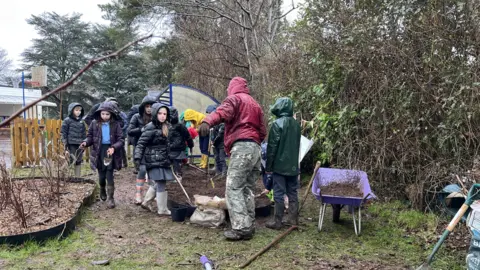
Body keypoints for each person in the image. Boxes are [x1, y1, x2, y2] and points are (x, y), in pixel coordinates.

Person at [199, 77, 266, 241]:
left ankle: (241, 228)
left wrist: (207, 121)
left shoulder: (234, 99)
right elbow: (263, 130)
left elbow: (222, 112)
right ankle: (248, 223)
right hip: (255, 148)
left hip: (242, 147)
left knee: (233, 187)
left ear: (231, 88)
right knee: (248, 188)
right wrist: (255, 141)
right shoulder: (255, 104)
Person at [265, 97, 301, 230]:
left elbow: (272, 147)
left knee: (279, 193)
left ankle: (277, 222)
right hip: (293, 165)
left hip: (279, 166)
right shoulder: (296, 125)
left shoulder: (277, 124)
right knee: (293, 193)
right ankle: (293, 220)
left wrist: (269, 167)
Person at [80, 102, 125, 209]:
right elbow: (90, 136)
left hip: (110, 150)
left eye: (107, 114)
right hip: (98, 152)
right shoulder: (94, 123)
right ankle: (102, 189)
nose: (105, 116)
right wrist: (85, 142)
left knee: (109, 174)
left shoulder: (115, 125)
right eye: (103, 114)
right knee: (101, 175)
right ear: (99, 113)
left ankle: (111, 198)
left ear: (111, 115)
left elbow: (121, 139)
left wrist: (114, 147)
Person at [134, 103, 174, 216]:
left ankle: (146, 202)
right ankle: (162, 209)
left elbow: (167, 143)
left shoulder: (166, 126)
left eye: (165, 114)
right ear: (155, 114)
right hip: (153, 159)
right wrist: (137, 158)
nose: (162, 116)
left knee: (160, 181)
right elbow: (141, 144)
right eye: (160, 113)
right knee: (161, 181)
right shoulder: (150, 127)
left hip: (163, 158)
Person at [127, 95, 158, 204]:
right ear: (143, 107)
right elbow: (129, 131)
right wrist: (142, 129)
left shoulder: (157, 118)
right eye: (147, 106)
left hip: (153, 148)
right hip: (140, 147)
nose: (149, 108)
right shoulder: (136, 117)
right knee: (142, 170)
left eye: (151, 106)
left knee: (153, 172)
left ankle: (151, 195)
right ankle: (138, 194)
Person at [60, 102, 86, 177]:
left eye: (80, 110)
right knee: (71, 160)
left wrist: (84, 142)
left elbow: (84, 133)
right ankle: (67, 176)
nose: (78, 112)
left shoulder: (81, 122)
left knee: (78, 160)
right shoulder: (67, 120)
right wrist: (65, 143)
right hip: (71, 144)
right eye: (76, 110)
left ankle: (77, 177)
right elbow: (63, 133)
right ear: (72, 110)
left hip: (80, 144)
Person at [168, 106, 194, 180]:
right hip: (170, 147)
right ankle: (173, 176)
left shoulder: (180, 126)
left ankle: (178, 176)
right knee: (171, 163)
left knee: (176, 163)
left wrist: (190, 145)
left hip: (177, 148)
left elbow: (187, 136)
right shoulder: (166, 125)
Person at [206, 105, 227, 177]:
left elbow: (220, 134)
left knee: (222, 158)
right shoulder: (212, 123)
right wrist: (211, 140)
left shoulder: (222, 123)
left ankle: (224, 173)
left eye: (210, 113)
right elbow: (211, 133)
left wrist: (213, 141)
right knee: (216, 158)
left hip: (221, 144)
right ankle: (218, 172)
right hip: (214, 144)